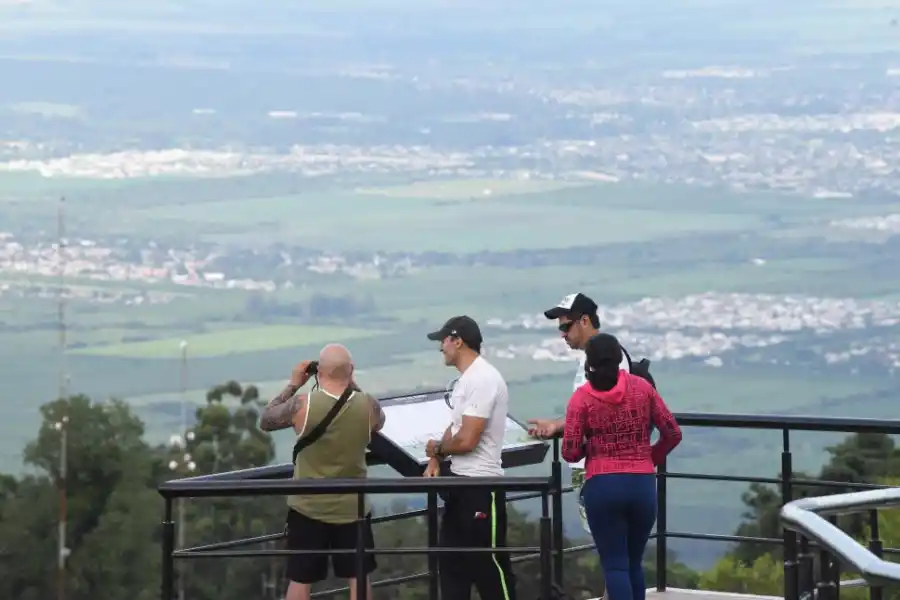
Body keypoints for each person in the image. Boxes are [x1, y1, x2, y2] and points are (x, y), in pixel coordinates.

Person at [259, 344, 386, 600]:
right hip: (353, 507)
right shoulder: (368, 405)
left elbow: (267, 419)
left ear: (319, 372)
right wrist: (349, 380)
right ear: (351, 370)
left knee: (300, 579)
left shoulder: (303, 406)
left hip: (308, 506)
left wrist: (294, 384)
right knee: (358, 577)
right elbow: (379, 422)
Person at [562, 333, 682, 600]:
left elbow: (569, 451)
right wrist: (649, 457)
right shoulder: (643, 389)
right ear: (619, 359)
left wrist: (590, 448)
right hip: (642, 485)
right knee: (634, 562)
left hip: (603, 485)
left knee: (615, 565)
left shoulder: (582, 399)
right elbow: (673, 433)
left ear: (589, 363)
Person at [421, 315, 517, 600]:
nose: (440, 347)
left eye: (443, 341)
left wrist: (438, 450)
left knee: (489, 567)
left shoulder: (482, 378)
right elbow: (455, 428)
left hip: (481, 487)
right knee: (452, 565)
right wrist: (436, 458)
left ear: (458, 341)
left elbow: (467, 439)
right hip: (461, 484)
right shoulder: (468, 380)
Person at [528, 292, 632, 535]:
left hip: (602, 469)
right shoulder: (594, 357)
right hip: (600, 467)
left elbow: (602, 412)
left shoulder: (606, 361)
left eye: (566, 326)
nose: (562, 334)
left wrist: (562, 428)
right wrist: (557, 425)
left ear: (585, 321)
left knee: (609, 541)